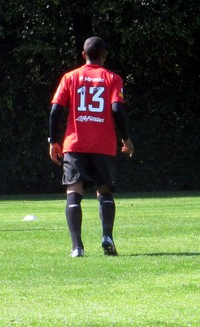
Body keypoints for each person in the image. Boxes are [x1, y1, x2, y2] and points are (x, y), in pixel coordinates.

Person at [48, 36, 134, 257]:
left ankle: (77, 247)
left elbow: (55, 110)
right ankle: (107, 236)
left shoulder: (70, 77)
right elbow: (117, 109)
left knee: (74, 192)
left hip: (75, 144)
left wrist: (53, 140)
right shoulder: (112, 78)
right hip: (102, 145)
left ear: (83, 55)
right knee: (104, 190)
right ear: (104, 56)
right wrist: (125, 138)